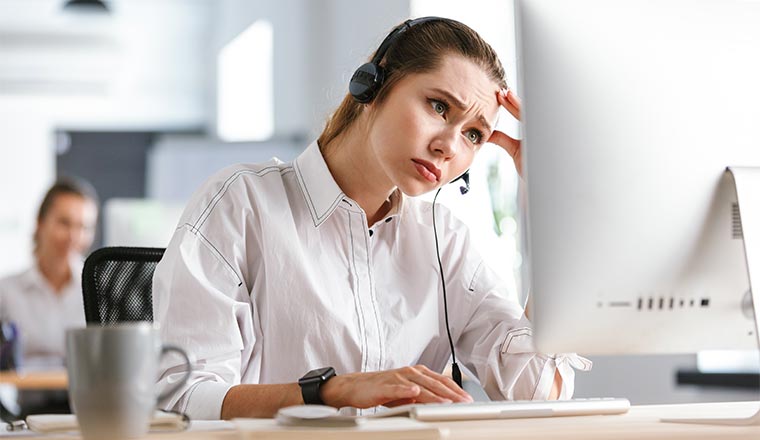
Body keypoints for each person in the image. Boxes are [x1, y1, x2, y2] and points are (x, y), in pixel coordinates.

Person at [153, 17, 591, 420]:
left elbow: (537, 393)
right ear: (371, 86)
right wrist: (329, 392)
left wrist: (553, 206)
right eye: (439, 107)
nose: (449, 146)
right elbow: (182, 400)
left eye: (473, 134)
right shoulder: (242, 204)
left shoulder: (445, 242)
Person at [0, 178, 98, 416]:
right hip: (27, 414)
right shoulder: (6, 292)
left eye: (84, 227)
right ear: (40, 223)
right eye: (64, 223)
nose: (74, 236)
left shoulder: (97, 289)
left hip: (89, 412)